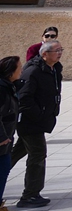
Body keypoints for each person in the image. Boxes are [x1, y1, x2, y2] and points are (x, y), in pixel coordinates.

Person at [11, 39, 63, 209]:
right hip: (30, 122)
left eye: (61, 50)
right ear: (44, 54)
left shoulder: (53, 69)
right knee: (38, 155)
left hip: (39, 120)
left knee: (14, 154)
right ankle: (30, 195)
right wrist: (39, 115)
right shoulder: (33, 70)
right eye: (56, 50)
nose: (60, 53)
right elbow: (24, 99)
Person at [0, 56, 21, 209]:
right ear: (10, 72)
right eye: (19, 67)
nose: (21, 69)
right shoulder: (2, 89)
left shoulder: (10, 86)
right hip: (2, 140)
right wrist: (2, 137)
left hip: (6, 139)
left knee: (4, 170)